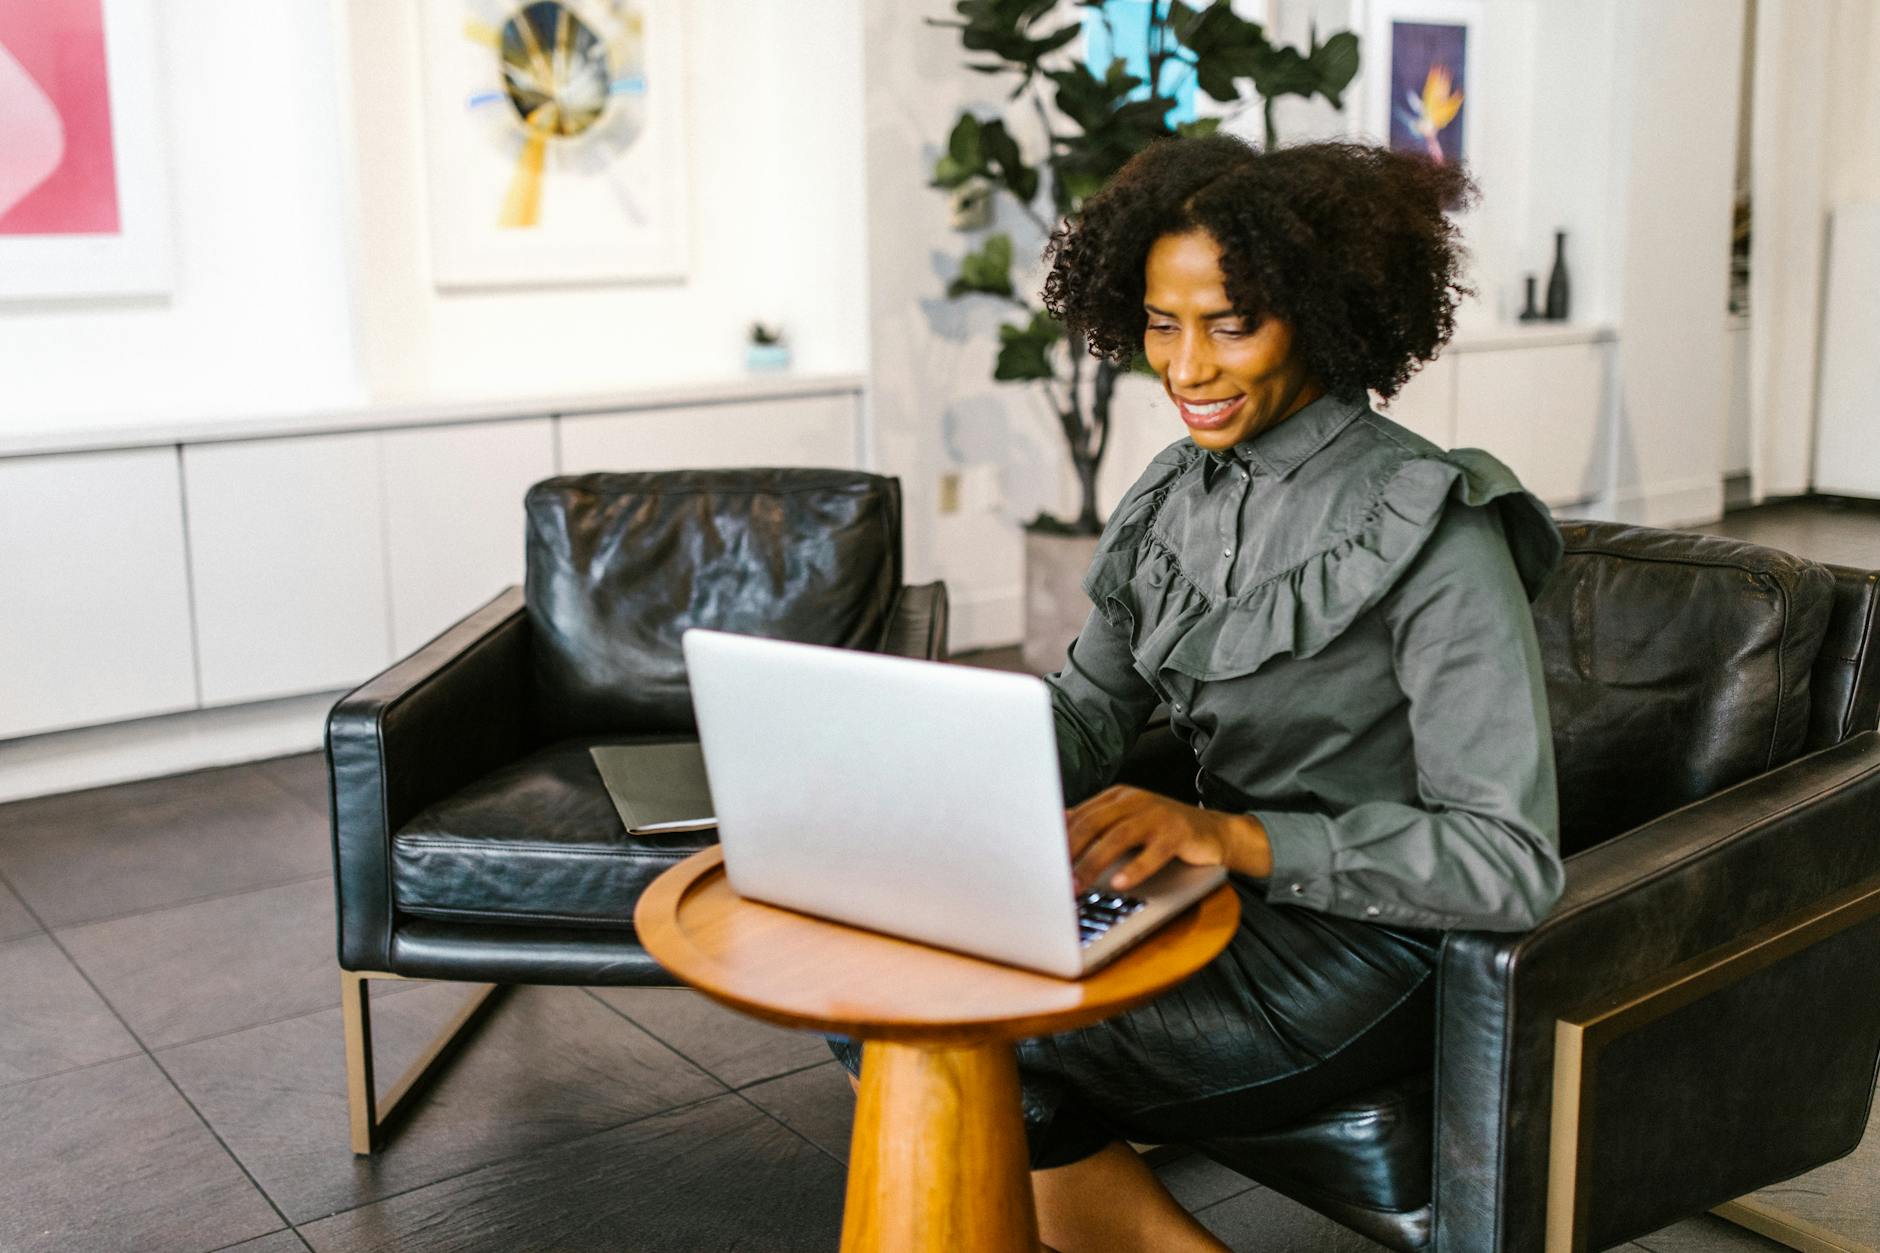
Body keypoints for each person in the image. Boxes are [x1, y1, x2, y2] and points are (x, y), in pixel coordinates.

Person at [841, 133, 1567, 1252]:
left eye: (1232, 323)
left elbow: (1504, 860)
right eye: (1160, 322)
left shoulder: (1434, 523)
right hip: (1202, 901)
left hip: (1366, 951)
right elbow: (1088, 709)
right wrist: (933, 768)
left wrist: (1225, 833)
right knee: (869, 985)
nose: (1184, 368)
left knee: (927, 1024)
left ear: (1325, 315)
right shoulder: (1173, 493)